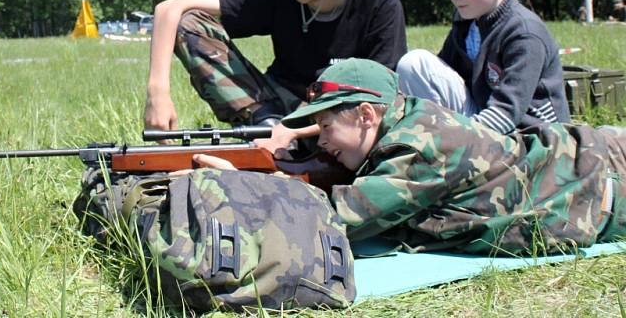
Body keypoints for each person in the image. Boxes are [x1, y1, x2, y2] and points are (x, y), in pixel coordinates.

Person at [195, 58, 625, 255]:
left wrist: (245, 182)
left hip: (603, 187)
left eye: (326, 127)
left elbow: (336, 218)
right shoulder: (403, 117)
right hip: (586, 156)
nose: (321, 139)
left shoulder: (419, 148)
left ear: (366, 114)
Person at [143, 0, 407, 142]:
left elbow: (381, 100)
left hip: (343, 119)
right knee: (190, 22)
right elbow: (170, 10)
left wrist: (293, 132)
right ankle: (264, 127)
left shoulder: (380, 7)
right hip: (274, 107)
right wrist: (158, 94)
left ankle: (285, 140)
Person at [396, 0, 569, 134]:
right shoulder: (467, 21)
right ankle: (431, 140)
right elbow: (445, 76)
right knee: (414, 64)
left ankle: (445, 147)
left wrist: (455, 139)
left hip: (532, 137)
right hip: (483, 120)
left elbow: (507, 111)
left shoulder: (524, 33)